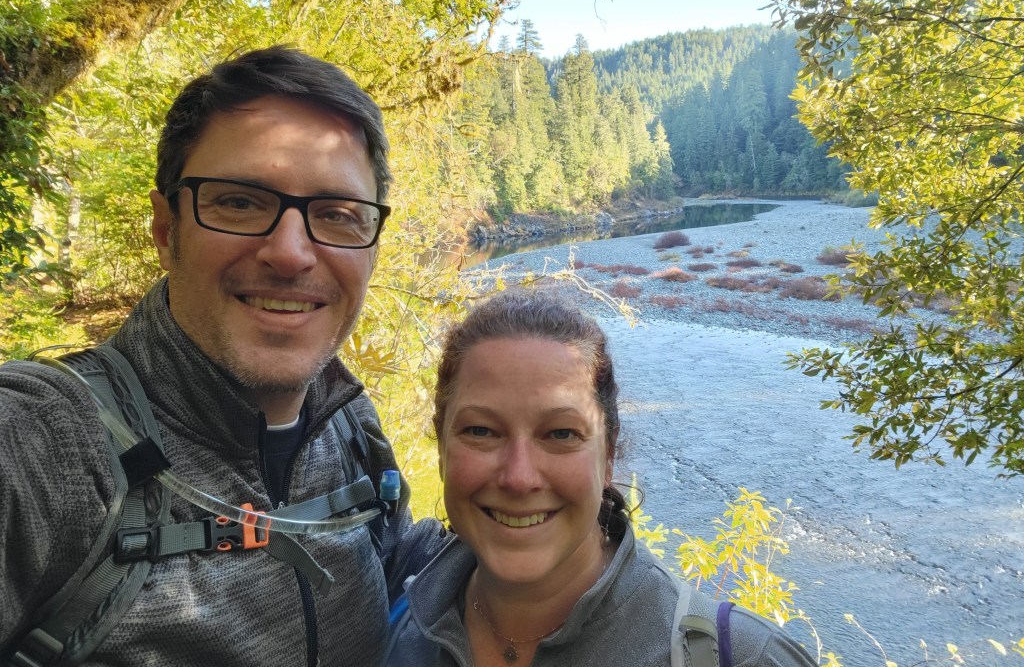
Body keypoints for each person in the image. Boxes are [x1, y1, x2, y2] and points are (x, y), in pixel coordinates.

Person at [0, 46, 446, 666]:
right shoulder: (42, 448)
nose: (290, 254)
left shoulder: (345, 421)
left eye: (337, 214)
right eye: (239, 202)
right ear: (165, 229)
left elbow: (391, 553)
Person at [387, 288, 818, 667]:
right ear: (442, 449)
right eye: (481, 431)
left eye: (560, 433)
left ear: (608, 456)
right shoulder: (393, 620)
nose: (519, 478)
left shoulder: (742, 657)